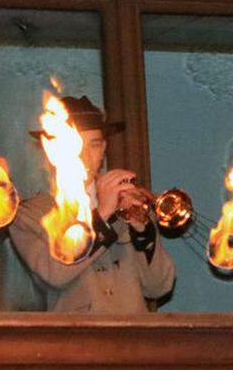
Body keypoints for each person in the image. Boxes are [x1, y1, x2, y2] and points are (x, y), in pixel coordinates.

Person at [9, 96, 175, 312]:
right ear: (52, 152)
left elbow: (160, 287)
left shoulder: (127, 202)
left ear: (104, 148)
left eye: (94, 145)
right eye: (76, 145)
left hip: (134, 341)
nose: (85, 156)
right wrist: (102, 215)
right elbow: (55, 274)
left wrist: (143, 231)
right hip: (76, 341)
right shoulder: (29, 214)